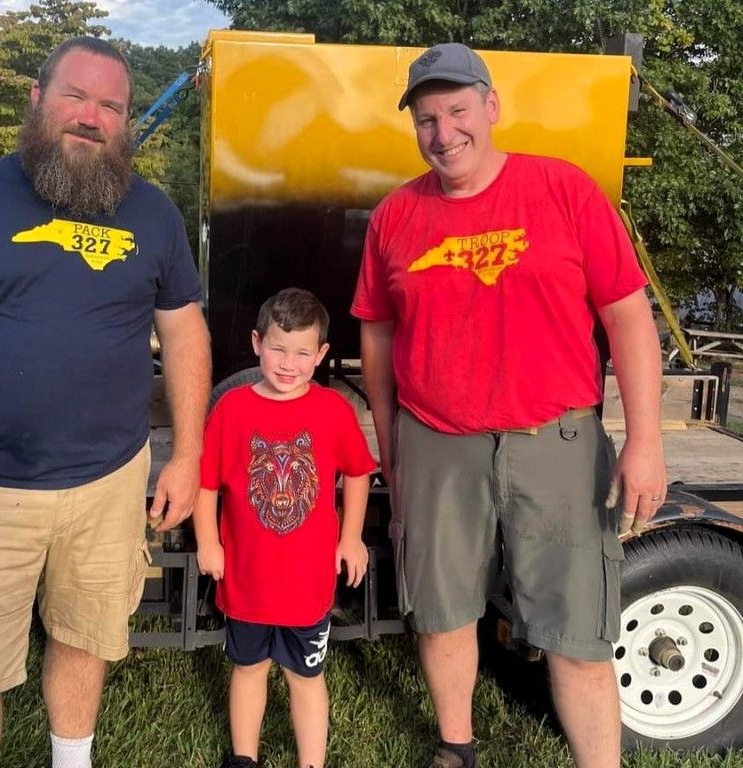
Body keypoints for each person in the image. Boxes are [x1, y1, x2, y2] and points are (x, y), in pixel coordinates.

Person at [0, 37, 210, 768]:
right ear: (37, 99)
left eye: (111, 105)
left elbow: (185, 335)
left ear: (124, 121)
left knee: (84, 637)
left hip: (109, 480)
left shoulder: (154, 215)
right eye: (75, 96)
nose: (91, 117)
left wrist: (187, 456)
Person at [351, 43, 666, 768]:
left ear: (490, 108)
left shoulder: (563, 189)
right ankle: (455, 746)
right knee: (441, 612)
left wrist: (644, 438)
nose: (443, 132)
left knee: (576, 631)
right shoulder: (395, 216)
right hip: (437, 441)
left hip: (556, 442)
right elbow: (375, 330)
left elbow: (626, 315)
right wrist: (394, 445)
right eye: (426, 119)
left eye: (457, 111)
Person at [194, 288, 376, 768]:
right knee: (248, 669)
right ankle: (243, 757)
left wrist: (351, 535)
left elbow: (358, 471)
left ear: (320, 355)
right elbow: (206, 484)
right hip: (247, 580)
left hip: (307, 584)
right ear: (257, 343)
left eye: (301, 352)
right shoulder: (230, 410)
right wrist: (208, 541)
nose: (287, 363)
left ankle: (311, 762)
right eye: (278, 347)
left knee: (305, 677)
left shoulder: (333, 411)